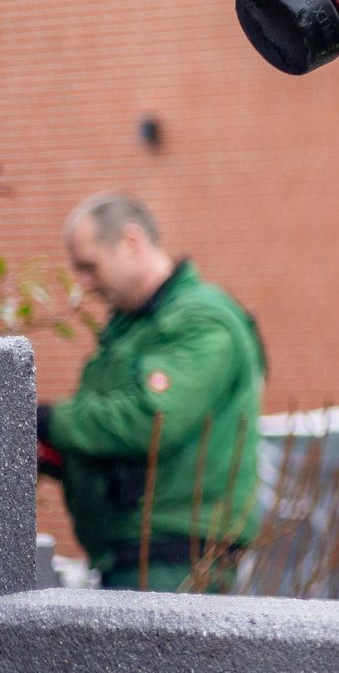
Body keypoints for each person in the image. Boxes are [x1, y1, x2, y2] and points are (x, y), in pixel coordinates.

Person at [37, 193, 265, 591]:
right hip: (135, 553)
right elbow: (112, 439)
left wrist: (46, 420)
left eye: (90, 267)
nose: (85, 285)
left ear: (131, 242)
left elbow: (152, 420)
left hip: (173, 558)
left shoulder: (201, 321)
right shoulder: (134, 326)